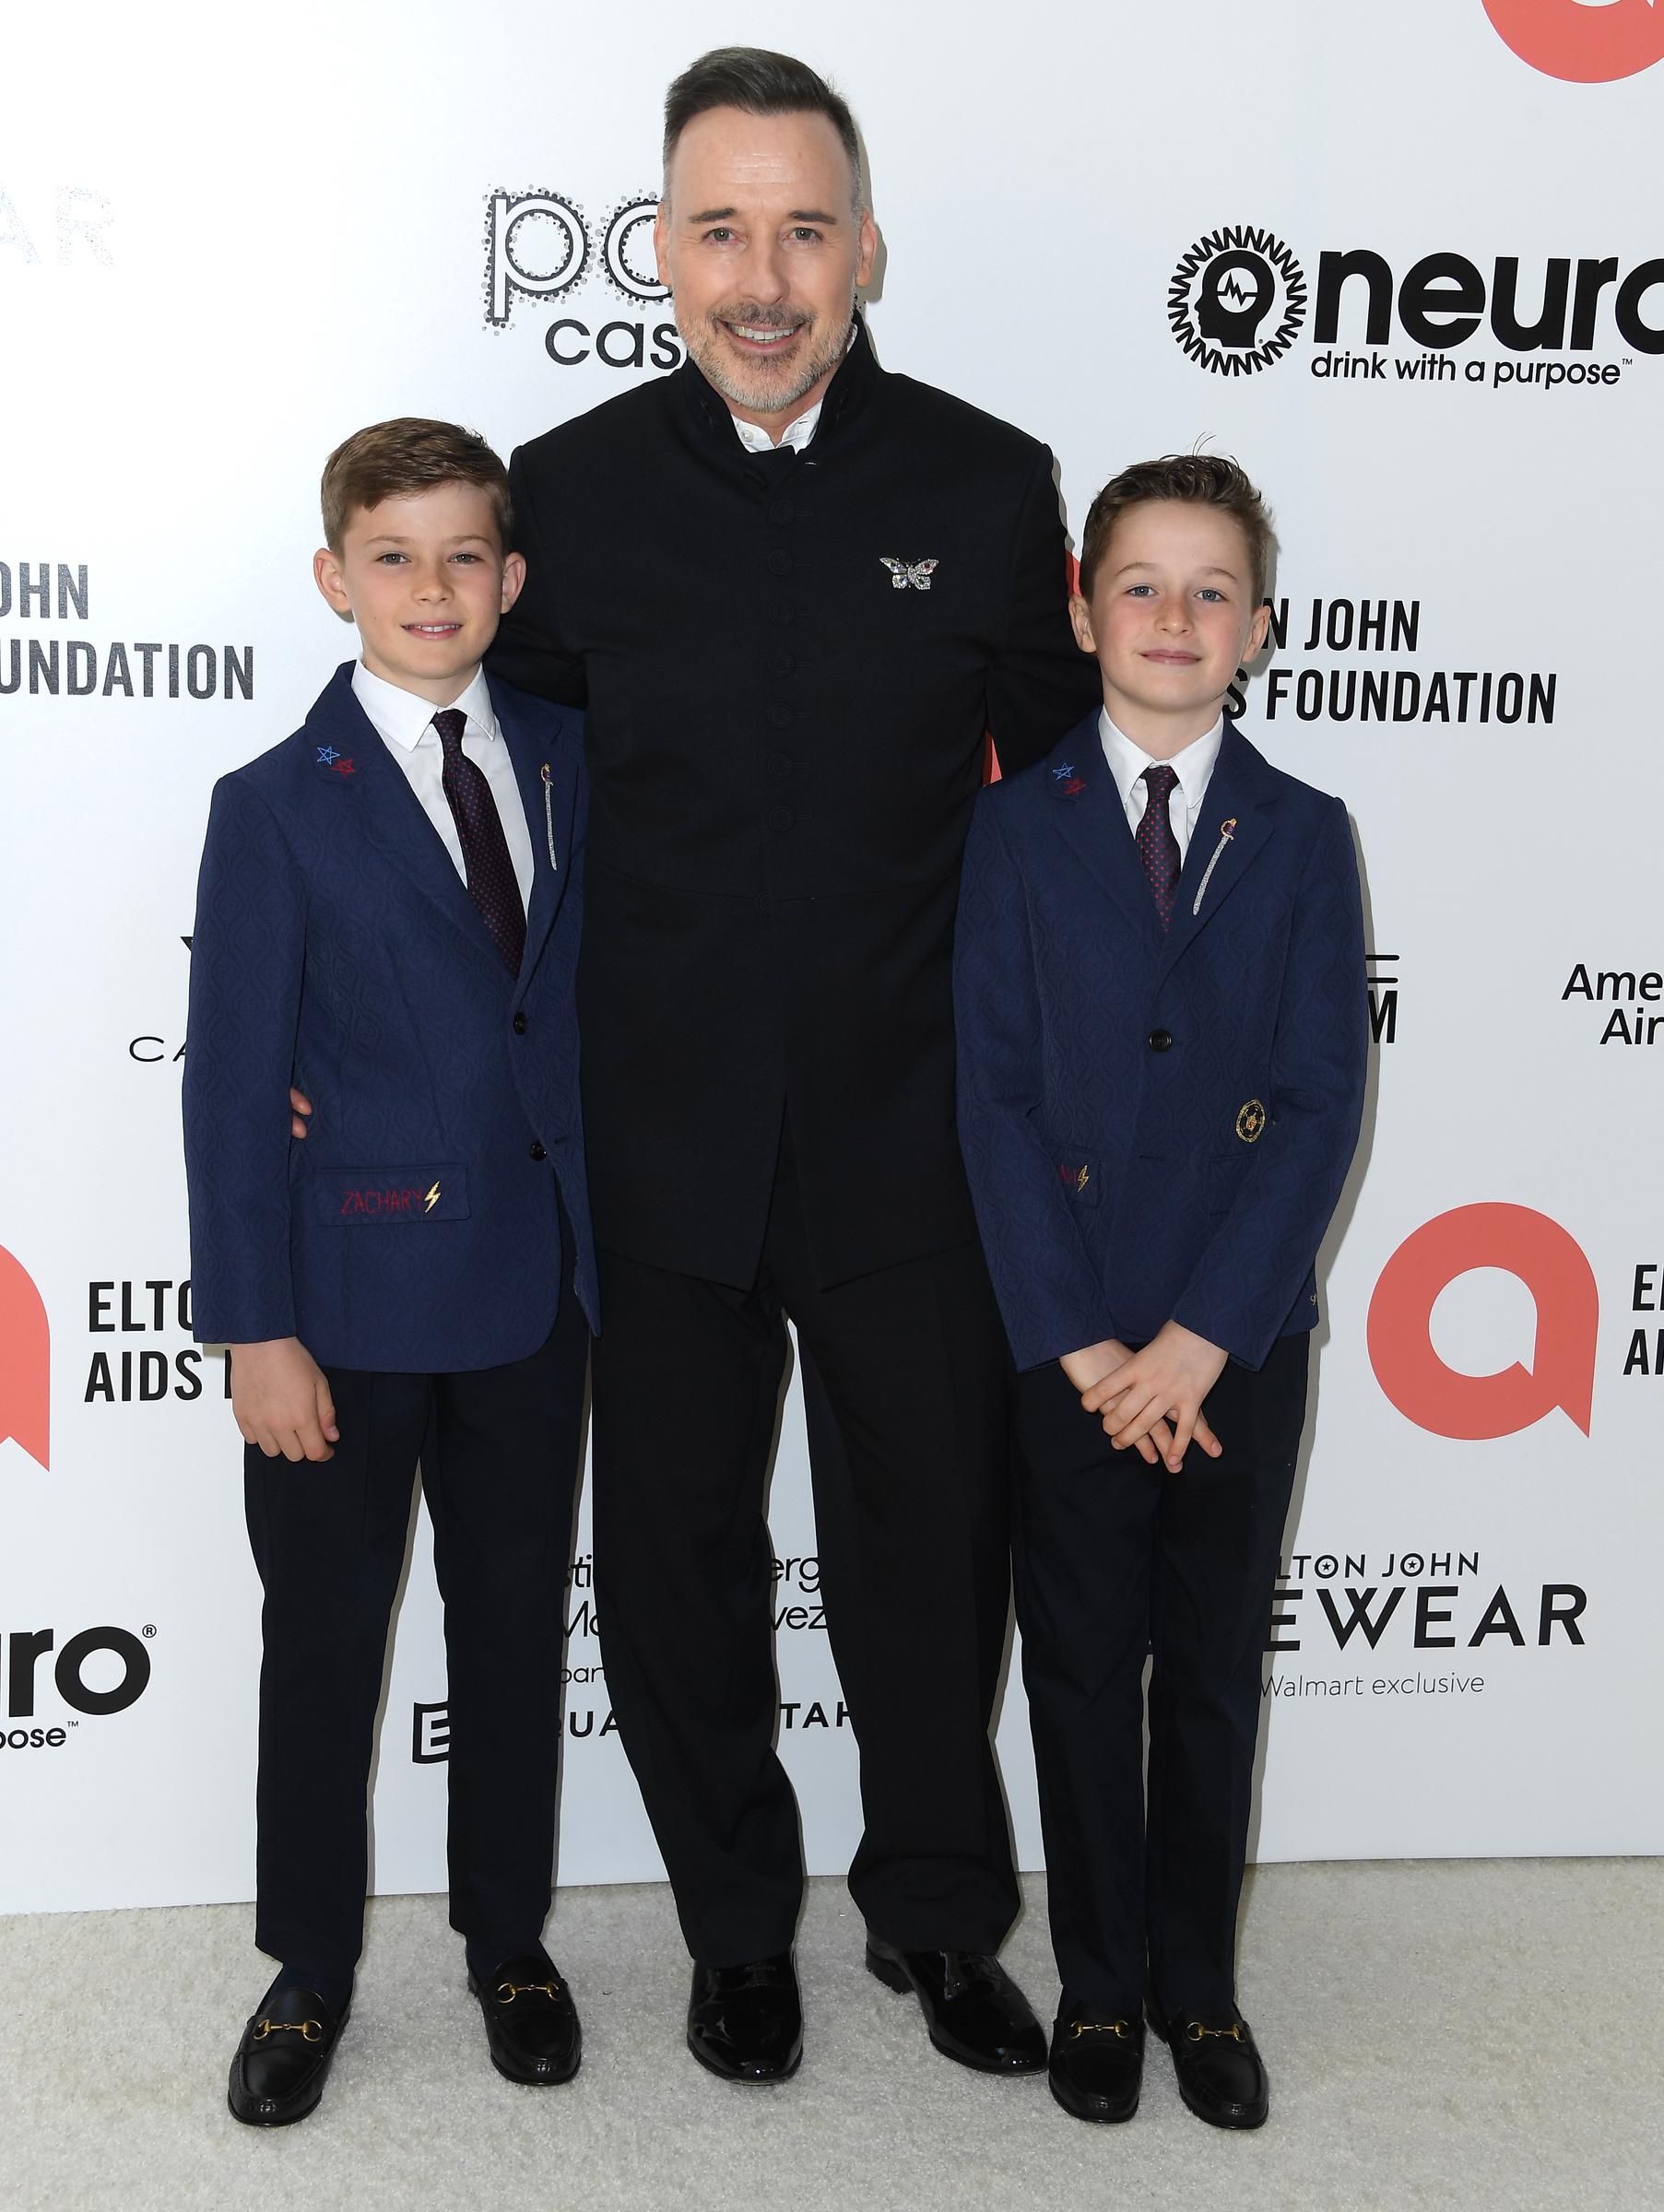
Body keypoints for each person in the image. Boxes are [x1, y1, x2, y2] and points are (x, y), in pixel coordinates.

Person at [486, 48, 1103, 2084]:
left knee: (930, 1547)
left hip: (915, 1136)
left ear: (865, 249)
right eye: (722, 229)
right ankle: (735, 1930)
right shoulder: (555, 499)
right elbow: (510, 797)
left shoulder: (986, 485)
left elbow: (1066, 809)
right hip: (653, 1142)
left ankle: (935, 1915)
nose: (764, 278)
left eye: (804, 229)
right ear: (658, 249)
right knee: (673, 1558)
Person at [183, 418, 596, 2126]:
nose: (432, 589)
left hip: (537, 1290)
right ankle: (309, 1966)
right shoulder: (276, 806)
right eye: (394, 555)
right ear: (333, 575)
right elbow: (228, 1082)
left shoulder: (578, 758)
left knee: (510, 1626)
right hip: (342, 1311)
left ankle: (507, 1936)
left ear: (508, 578)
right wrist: (254, 1328)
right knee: (327, 1638)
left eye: (463, 556)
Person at [953, 454, 1367, 2130]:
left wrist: (1201, 1338)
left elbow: (1320, 1100)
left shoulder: (1304, 834)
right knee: (1074, 1663)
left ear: (1259, 627)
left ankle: (1197, 1988)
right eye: (1141, 585)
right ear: (1081, 611)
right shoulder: (1008, 827)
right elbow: (990, 1095)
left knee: (1205, 1670)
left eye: (1212, 591)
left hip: (1233, 1341)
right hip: (1071, 1349)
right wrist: (1083, 1343)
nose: (1175, 618)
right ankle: (1101, 1985)